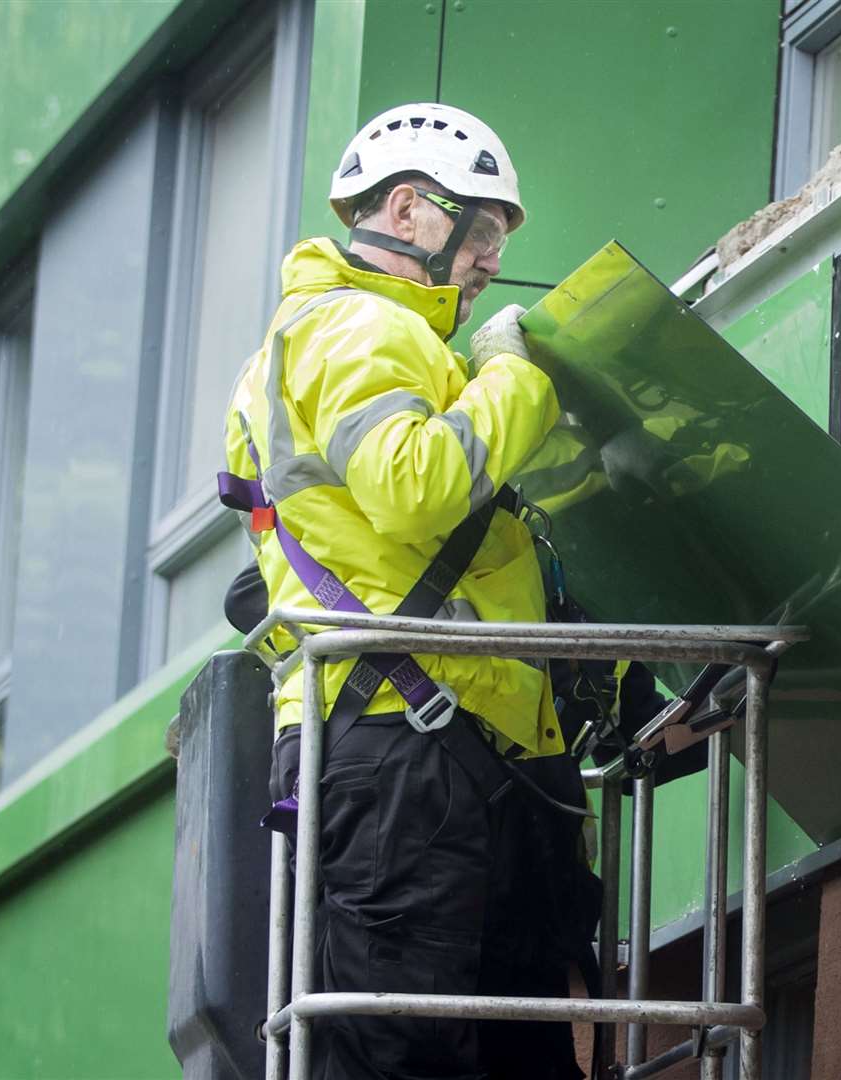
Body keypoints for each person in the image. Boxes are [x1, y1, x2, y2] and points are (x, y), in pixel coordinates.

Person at [219, 102, 587, 1080]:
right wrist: (514, 377)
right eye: (480, 234)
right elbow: (415, 485)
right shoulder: (357, 328)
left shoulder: (351, 339)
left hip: (423, 746)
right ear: (410, 209)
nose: (487, 261)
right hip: (403, 750)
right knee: (403, 1058)